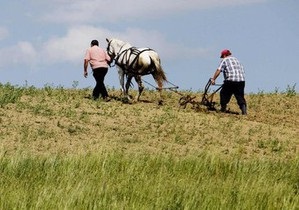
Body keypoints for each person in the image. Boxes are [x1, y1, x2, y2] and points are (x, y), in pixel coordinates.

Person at [211, 49, 247, 115]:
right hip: (241, 81)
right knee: (240, 96)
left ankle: (223, 109)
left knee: (223, 93)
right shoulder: (236, 60)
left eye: (222, 56)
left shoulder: (225, 60)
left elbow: (218, 70)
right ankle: (244, 111)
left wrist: (213, 79)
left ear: (224, 55)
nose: (222, 58)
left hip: (230, 80)